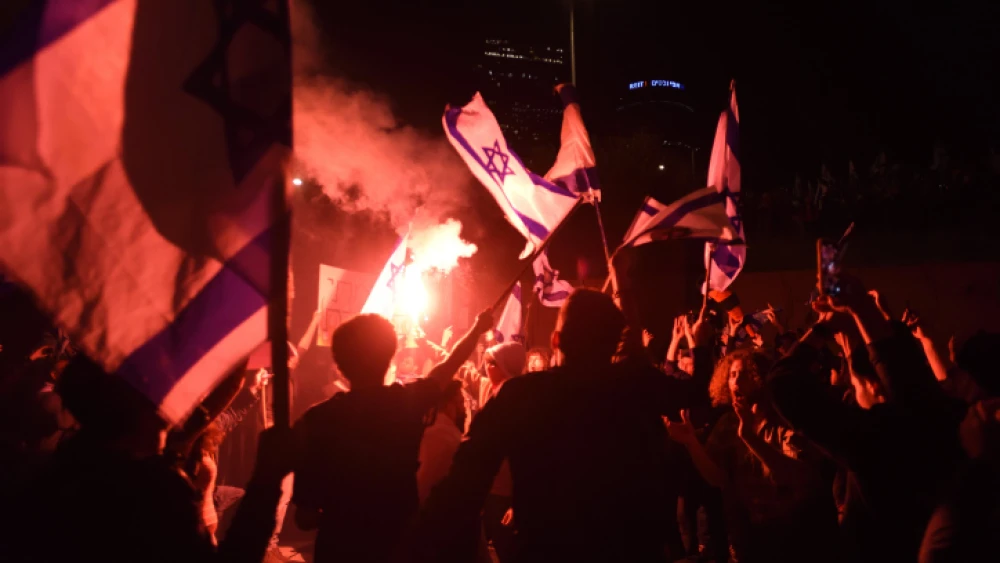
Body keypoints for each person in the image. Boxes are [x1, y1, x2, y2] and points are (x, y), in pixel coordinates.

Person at [416, 289, 715, 563]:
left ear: (556, 340)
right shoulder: (636, 385)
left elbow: (465, 480)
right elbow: (697, 391)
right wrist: (700, 346)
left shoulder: (521, 394)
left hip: (545, 551)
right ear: (613, 341)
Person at [8, 356, 293, 563]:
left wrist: (238, 375)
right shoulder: (150, 491)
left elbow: (199, 422)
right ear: (134, 410)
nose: (170, 408)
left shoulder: (60, 471)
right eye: (161, 397)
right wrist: (267, 480)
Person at [766, 276, 966, 562]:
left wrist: (824, 327)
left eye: (856, 384)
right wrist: (862, 310)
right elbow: (904, 376)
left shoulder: (878, 439)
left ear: (873, 387)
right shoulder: (949, 415)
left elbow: (783, 384)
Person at [292, 309, 494, 563]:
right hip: (397, 546)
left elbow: (305, 517)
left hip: (339, 548)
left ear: (339, 364)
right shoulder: (405, 403)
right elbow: (448, 367)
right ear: (389, 358)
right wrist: (477, 329)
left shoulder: (316, 420)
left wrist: (347, 516)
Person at [666, 349, 839, 562]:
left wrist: (750, 437)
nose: (736, 380)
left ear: (760, 379)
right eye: (731, 375)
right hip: (748, 536)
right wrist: (691, 442)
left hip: (795, 534)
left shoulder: (782, 418)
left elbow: (801, 477)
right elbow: (718, 478)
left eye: (744, 374)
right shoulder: (728, 423)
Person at [416, 380, 466, 504]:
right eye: (461, 403)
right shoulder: (443, 435)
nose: (464, 409)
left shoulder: (434, 427)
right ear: (448, 405)